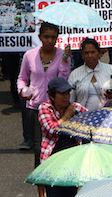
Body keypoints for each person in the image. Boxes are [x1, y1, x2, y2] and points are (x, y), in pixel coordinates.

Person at [17, 22, 70, 163]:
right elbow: (22, 78)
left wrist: (64, 61)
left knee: (57, 146)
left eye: (53, 37)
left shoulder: (62, 55)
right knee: (38, 147)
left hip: (55, 108)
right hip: (35, 107)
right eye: (46, 37)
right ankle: (39, 181)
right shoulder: (29, 55)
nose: (50, 41)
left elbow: (63, 80)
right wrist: (22, 91)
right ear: (40, 37)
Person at [37, 77, 86, 196]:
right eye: (62, 94)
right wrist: (66, 117)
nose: (66, 97)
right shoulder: (44, 108)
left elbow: (91, 123)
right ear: (52, 96)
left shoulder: (76, 108)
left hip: (73, 164)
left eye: (68, 93)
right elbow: (52, 129)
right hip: (52, 163)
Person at [68, 38, 112, 110]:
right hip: (83, 116)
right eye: (86, 53)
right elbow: (70, 99)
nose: (90, 55)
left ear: (99, 53)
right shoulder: (74, 74)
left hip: (109, 115)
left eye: (93, 52)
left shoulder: (111, 70)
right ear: (82, 55)